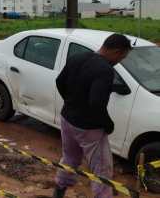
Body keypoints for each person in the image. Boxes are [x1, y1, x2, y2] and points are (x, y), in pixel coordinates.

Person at [54, 34, 132, 198]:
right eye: (122, 57)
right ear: (116, 51)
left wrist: (72, 102)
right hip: (89, 128)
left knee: (69, 158)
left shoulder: (77, 57)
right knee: (101, 169)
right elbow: (97, 103)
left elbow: (59, 82)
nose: (120, 61)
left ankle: (59, 190)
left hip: (67, 118)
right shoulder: (105, 70)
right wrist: (108, 124)